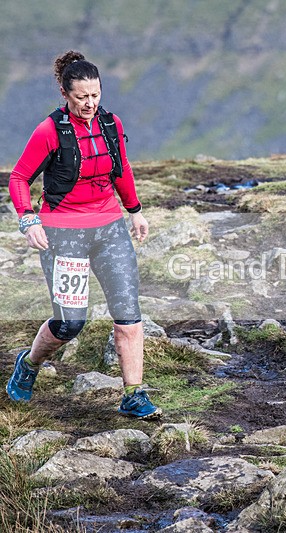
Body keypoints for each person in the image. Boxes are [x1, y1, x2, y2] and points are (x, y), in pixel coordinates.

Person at [6, 50, 161, 419]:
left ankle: (133, 395)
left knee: (128, 314)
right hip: (64, 234)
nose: (90, 104)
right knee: (70, 322)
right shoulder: (49, 131)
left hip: (109, 229)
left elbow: (120, 167)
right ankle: (28, 364)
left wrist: (135, 211)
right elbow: (19, 178)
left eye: (95, 95)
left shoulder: (110, 123)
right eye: (81, 98)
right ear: (65, 93)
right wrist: (29, 219)